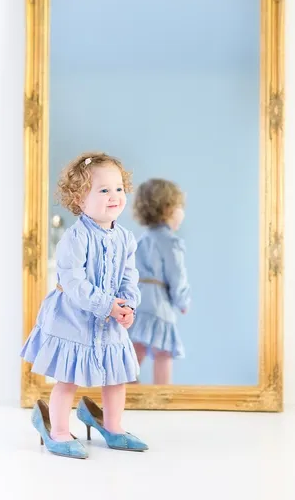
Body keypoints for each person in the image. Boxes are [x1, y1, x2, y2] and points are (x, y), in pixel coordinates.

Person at [21, 152, 148, 458]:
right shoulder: (74, 239)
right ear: (79, 199)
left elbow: (130, 277)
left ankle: (113, 426)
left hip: (111, 320)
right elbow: (75, 284)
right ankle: (58, 430)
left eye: (119, 188)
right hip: (74, 318)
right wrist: (107, 304)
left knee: (116, 377)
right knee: (69, 377)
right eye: (103, 190)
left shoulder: (127, 239)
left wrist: (127, 304)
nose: (114, 196)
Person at [129, 178, 191, 384]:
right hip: (159, 304)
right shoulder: (171, 242)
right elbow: (176, 276)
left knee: (136, 346)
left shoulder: (142, 239)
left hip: (138, 301)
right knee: (163, 351)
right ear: (168, 208)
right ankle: (162, 394)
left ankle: (127, 388)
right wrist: (182, 301)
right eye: (180, 206)